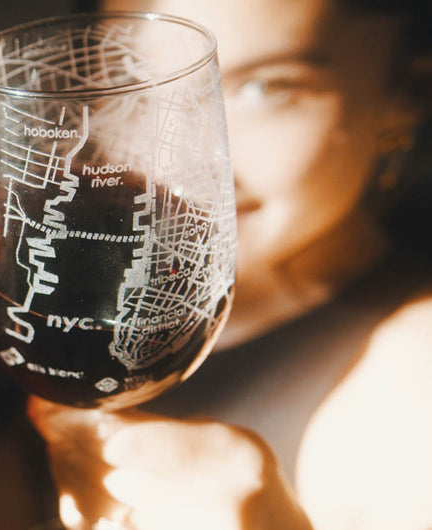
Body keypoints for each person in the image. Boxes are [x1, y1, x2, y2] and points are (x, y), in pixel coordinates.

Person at [26, 0, 432, 529]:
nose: (184, 161)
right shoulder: (75, 303)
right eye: (134, 89)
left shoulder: (412, 381)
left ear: (405, 97)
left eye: (265, 90)